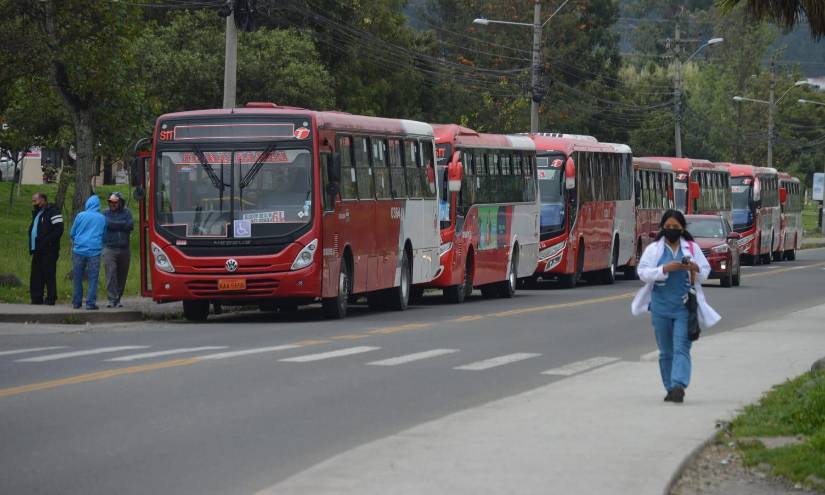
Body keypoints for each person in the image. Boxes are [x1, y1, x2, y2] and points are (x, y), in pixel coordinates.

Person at [631, 209, 720, 404]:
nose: (672, 230)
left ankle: (679, 384)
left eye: (676, 227)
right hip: (660, 307)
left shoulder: (691, 248)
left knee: (681, 347)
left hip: (683, 307)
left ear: (682, 229)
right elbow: (643, 273)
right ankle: (670, 387)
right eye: (668, 227)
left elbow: (705, 271)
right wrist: (664, 269)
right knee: (666, 351)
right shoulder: (654, 250)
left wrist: (695, 268)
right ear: (663, 228)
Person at [70, 195, 107, 310]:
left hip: (79, 250)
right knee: (93, 278)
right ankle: (90, 303)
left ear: (87, 204)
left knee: (77, 277)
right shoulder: (102, 218)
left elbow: (72, 233)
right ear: (98, 205)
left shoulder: (80, 215)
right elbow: (104, 236)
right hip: (94, 251)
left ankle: (76, 302)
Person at [28, 192, 64, 305]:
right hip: (37, 250)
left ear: (43, 200)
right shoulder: (38, 212)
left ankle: (51, 298)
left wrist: (46, 242)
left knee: (49, 274)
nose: (34, 203)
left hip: (49, 250)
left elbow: (58, 230)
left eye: (35, 201)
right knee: (36, 274)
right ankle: (36, 297)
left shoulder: (53, 211)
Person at [103, 192, 133, 308]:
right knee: (111, 274)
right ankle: (111, 299)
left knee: (122, 275)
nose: (112, 204)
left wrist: (115, 225)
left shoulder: (127, 212)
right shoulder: (105, 213)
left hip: (124, 249)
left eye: (115, 202)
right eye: (110, 202)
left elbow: (130, 225)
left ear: (120, 202)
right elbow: (107, 224)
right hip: (109, 248)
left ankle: (118, 299)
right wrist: (122, 224)